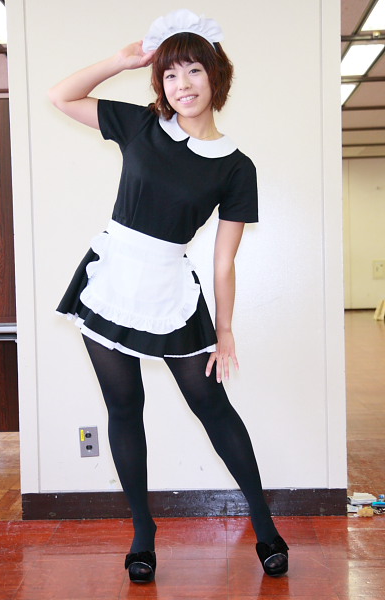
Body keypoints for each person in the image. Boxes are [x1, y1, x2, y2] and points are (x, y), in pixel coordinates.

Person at [49, 8, 289, 584]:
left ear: (216, 76)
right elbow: (61, 96)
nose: (182, 84)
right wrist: (121, 60)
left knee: (211, 404)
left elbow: (224, 259)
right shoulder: (141, 125)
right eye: (171, 74)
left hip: (169, 285)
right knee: (123, 407)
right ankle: (143, 532)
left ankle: (264, 525)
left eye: (194, 71)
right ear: (160, 83)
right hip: (111, 279)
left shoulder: (236, 167)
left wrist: (224, 331)